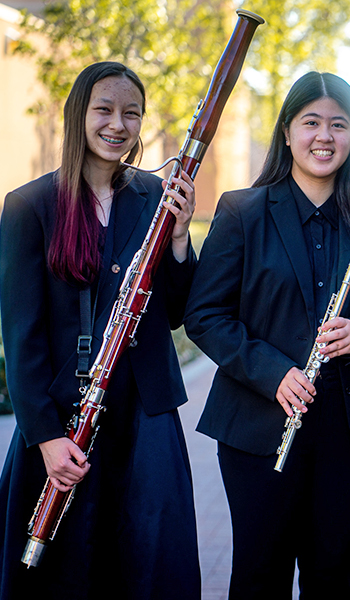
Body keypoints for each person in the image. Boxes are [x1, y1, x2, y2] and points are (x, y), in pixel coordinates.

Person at [183, 71, 350, 599]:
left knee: (334, 578)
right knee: (260, 576)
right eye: (311, 123)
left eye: (339, 125)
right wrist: (273, 371)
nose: (324, 136)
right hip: (258, 427)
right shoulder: (242, 211)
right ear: (286, 132)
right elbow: (205, 315)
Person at [0, 62, 201, 598]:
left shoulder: (158, 196)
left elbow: (179, 312)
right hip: (63, 425)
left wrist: (180, 238)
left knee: (147, 566)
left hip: (146, 417)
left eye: (131, 113)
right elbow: (22, 338)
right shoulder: (30, 206)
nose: (118, 124)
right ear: (78, 115)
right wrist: (44, 436)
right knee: (66, 572)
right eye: (104, 110)